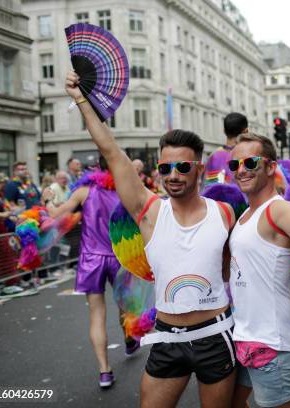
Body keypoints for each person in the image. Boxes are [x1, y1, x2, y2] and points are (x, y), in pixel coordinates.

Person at [66, 70, 236, 408]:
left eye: (183, 168)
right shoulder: (149, 210)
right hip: (167, 339)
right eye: (166, 168)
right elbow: (112, 152)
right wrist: (82, 100)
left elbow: (229, 269)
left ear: (199, 169)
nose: (173, 176)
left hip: (215, 336)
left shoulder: (224, 213)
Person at [229, 132, 290, 408]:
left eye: (250, 163)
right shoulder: (246, 215)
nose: (241, 170)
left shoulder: (278, 210)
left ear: (271, 167)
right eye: (235, 165)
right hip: (243, 336)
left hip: (269, 342)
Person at [42, 158, 136, 388]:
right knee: (126, 305)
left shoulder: (84, 191)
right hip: (119, 257)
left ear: (96, 167)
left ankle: (105, 371)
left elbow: (55, 215)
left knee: (96, 314)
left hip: (91, 259)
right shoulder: (128, 190)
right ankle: (129, 334)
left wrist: (47, 200)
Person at [205, 112, 248, 186]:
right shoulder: (250, 155)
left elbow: (211, 186)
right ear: (246, 131)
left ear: (224, 131)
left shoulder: (214, 156)